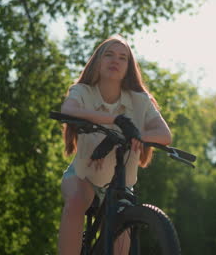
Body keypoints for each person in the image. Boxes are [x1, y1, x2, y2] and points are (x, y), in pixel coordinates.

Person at [58, 35, 172, 255]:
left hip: (120, 184)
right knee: (76, 200)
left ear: (128, 67)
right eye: (109, 55)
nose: (115, 61)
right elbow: (68, 111)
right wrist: (116, 121)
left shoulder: (140, 100)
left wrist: (137, 134)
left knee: (121, 235)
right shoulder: (83, 91)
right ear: (97, 62)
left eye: (123, 57)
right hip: (83, 176)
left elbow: (164, 135)